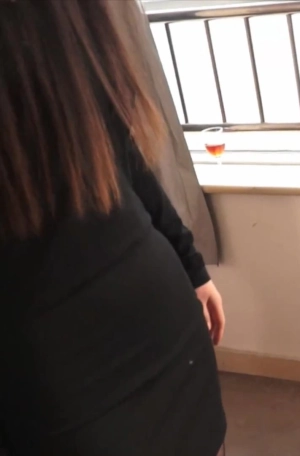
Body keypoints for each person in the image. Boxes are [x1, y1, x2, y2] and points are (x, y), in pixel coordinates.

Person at [0, 1, 226, 455]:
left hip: (54, 361)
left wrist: (193, 267)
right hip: (152, 313)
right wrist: (191, 267)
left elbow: (123, 164)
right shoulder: (59, 26)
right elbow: (128, 163)